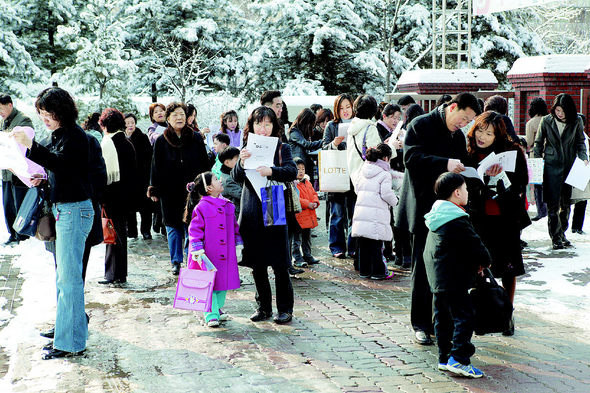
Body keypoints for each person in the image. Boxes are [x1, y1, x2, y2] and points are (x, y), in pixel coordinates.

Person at [12, 87, 94, 359]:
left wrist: (31, 147)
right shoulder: (60, 135)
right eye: (42, 114)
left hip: (74, 210)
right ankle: (66, 332)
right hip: (64, 210)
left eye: (48, 113)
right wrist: (43, 178)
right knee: (64, 279)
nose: (44, 118)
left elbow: (65, 166)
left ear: (62, 111)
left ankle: (71, 342)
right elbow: (61, 170)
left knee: (69, 280)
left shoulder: (76, 136)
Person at [396, 92, 481, 345]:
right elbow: (410, 159)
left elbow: (462, 164)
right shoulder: (420, 125)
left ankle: (440, 323)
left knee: (445, 270)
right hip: (423, 210)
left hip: (449, 212)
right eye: (463, 118)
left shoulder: (456, 135)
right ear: (452, 107)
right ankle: (420, 324)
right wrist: (445, 163)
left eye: (468, 121)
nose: (463, 124)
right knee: (422, 268)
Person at [464, 111, 529, 335]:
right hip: (478, 219)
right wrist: (483, 180)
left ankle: (507, 314)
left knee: (507, 268)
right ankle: (482, 314)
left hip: (505, 219)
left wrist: (501, 178)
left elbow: (522, 185)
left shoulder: (512, 153)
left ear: (498, 134)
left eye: (489, 133)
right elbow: (465, 185)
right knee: (479, 268)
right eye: (480, 131)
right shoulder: (470, 153)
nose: (482, 137)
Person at [231, 106, 297, 324]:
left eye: (267, 124)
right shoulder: (245, 147)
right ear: (252, 126)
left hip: (274, 203)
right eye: (259, 124)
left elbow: (291, 171)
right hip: (251, 208)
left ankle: (285, 309)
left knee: (279, 262)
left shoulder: (282, 147)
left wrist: (272, 171)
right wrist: (241, 162)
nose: (263, 128)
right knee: (257, 262)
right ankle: (263, 307)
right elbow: (235, 177)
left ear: (274, 126)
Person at [423, 172, 491, 378]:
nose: (468, 193)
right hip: (454, 276)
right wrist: (485, 262)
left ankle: (444, 358)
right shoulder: (456, 217)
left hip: (437, 275)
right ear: (457, 192)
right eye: (466, 189)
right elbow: (476, 245)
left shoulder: (437, 214)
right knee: (464, 315)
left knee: (442, 316)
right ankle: (459, 359)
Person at [149, 102, 210, 275]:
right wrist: (154, 188)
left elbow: (204, 164)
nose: (179, 117)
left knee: (192, 225)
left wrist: (205, 185)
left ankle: (191, 258)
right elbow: (155, 166)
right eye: (175, 114)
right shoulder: (161, 140)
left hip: (192, 190)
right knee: (172, 226)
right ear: (168, 118)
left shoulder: (196, 138)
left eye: (182, 114)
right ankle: (176, 260)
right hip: (169, 191)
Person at [185, 172, 242, 327]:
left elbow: (235, 228)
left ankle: (217, 308)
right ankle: (211, 314)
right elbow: (195, 230)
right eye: (216, 179)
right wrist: (197, 250)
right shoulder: (202, 207)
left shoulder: (228, 205)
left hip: (226, 254)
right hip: (208, 254)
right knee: (209, 284)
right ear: (209, 187)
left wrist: (238, 245)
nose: (220, 180)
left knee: (222, 283)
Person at [533, 93, 588, 249]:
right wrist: (537, 161)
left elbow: (580, 142)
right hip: (550, 167)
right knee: (553, 204)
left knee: (566, 203)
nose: (560, 113)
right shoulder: (546, 120)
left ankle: (562, 232)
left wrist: (583, 157)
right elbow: (538, 144)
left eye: (563, 110)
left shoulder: (576, 121)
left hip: (570, 166)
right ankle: (555, 237)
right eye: (557, 110)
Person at [98, 108, 137, 285]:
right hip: (127, 195)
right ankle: (119, 273)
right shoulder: (127, 143)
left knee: (113, 234)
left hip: (112, 195)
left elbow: (103, 174)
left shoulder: (108, 143)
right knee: (119, 233)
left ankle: (112, 273)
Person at [351, 144, 398, 280]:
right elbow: (386, 194)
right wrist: (396, 200)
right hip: (376, 215)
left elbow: (357, 189)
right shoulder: (384, 174)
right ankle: (379, 272)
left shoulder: (362, 170)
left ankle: (365, 272)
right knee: (376, 246)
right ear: (385, 158)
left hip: (362, 212)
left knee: (364, 245)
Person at [322, 94, 354, 259]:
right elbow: (323, 148)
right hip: (336, 173)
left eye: (348, 107)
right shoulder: (331, 126)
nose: (345, 111)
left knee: (355, 213)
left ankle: (353, 246)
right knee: (337, 213)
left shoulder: (358, 122)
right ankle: (336, 247)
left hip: (354, 174)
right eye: (341, 108)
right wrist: (334, 144)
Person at [0, 93, 33, 245]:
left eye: (1, 108)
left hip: (19, 171)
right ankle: (12, 234)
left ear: (10, 105)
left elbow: (27, 142)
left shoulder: (23, 119)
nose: (0, 112)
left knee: (19, 204)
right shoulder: (4, 121)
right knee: (8, 205)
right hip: (7, 170)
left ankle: (22, 236)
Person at [347, 95, 390, 187]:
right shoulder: (370, 128)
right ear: (373, 111)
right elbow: (378, 154)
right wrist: (392, 147)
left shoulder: (353, 127)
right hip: (369, 176)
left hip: (356, 176)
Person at [124, 113, 153, 240]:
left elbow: (149, 157)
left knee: (145, 208)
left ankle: (146, 231)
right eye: (127, 122)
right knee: (129, 208)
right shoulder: (121, 139)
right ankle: (131, 231)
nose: (130, 125)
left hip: (142, 178)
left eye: (132, 122)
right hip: (128, 179)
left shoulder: (142, 137)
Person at [291, 158, 320, 267]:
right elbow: (296, 198)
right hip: (299, 216)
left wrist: (315, 202)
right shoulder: (293, 184)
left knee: (307, 237)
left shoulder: (307, 182)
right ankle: (297, 257)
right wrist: (308, 204)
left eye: (303, 169)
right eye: (298, 169)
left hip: (308, 215)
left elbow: (313, 194)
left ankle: (308, 255)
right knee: (297, 239)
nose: (301, 171)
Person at [525, 98, 549, 221]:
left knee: (538, 185)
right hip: (550, 155)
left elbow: (529, 141)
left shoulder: (532, 123)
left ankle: (541, 211)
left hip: (536, 156)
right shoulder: (550, 120)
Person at [288, 108, 323, 185]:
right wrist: (322, 142)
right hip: (299, 166)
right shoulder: (294, 131)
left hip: (305, 165)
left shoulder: (302, 133)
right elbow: (306, 145)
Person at [218, 146, 242, 219]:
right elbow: (242, 195)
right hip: (237, 216)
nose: (240, 161)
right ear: (227, 162)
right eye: (237, 159)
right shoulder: (227, 180)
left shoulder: (232, 173)